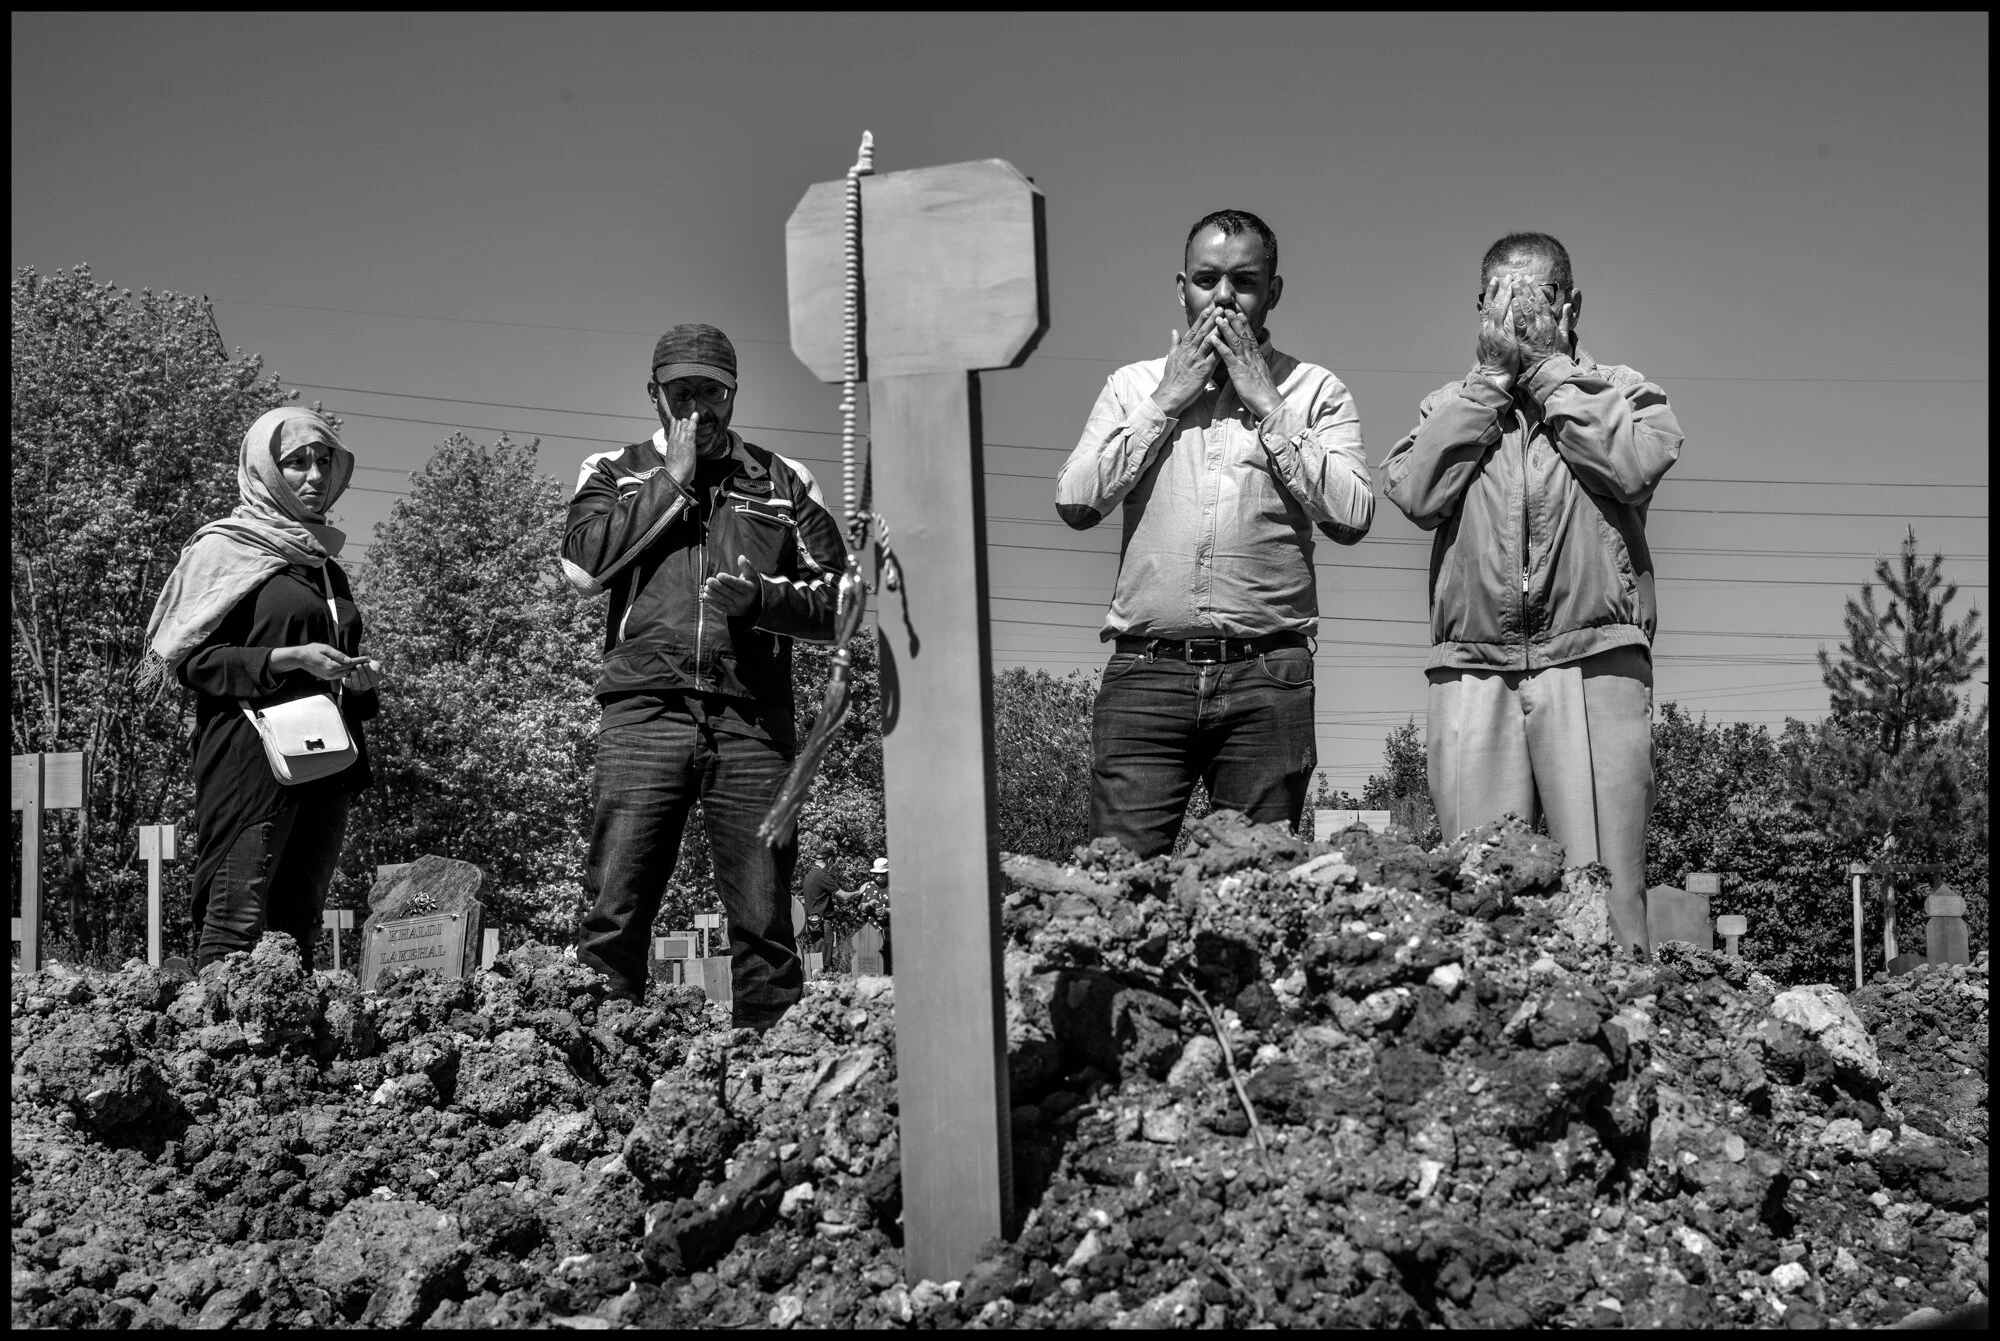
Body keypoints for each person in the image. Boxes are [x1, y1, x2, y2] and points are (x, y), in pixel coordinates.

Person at [1382, 232, 1684, 957]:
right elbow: (1415, 491)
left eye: (1538, 297)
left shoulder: (1621, 391)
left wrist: (1549, 374)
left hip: (1594, 659)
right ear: (1479, 308)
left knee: (1608, 897)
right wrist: (1489, 385)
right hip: (1473, 666)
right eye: (1500, 298)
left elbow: (1635, 464)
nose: (1518, 313)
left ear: (1571, 306)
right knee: (1476, 897)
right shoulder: (1450, 403)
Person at [1055, 209, 1374, 858]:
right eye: (1207, 278)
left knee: (1254, 891)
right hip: (1147, 674)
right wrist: (1166, 401)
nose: (1224, 296)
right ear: (1182, 288)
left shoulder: (1315, 392)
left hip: (1268, 676)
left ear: (1273, 292)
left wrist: (1267, 402)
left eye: (1244, 281)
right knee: (1119, 887)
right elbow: (1075, 499)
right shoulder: (1133, 386)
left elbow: (1351, 514)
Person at [562, 323, 848, 1028]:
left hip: (751, 719)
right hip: (644, 711)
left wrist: (764, 600)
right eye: (681, 391)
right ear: (654, 393)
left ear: (733, 392)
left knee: (764, 917)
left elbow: (846, 600)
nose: (699, 407)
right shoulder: (614, 470)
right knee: (615, 908)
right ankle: (604, 1075)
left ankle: (770, 1078)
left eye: (712, 391)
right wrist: (673, 481)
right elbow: (581, 568)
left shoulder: (785, 481)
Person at [141, 407, 382, 969]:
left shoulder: (324, 564)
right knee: (235, 921)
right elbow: (190, 663)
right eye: (296, 463)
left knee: (295, 925)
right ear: (265, 471)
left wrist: (360, 681)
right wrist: (284, 657)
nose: (315, 476)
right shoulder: (224, 549)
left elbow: (337, 673)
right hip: (251, 760)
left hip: (328, 759)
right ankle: (214, 1045)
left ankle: (286, 1054)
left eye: (325, 461)